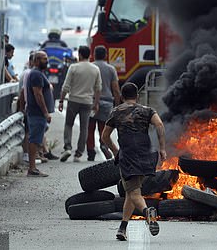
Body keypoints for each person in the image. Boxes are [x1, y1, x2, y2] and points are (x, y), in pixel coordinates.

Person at [102, 82, 166, 241]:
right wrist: (162, 148)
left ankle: (147, 213)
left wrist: (116, 151)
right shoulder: (147, 110)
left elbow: (104, 136)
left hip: (129, 156)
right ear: (137, 96)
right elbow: (159, 124)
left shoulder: (116, 112)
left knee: (134, 192)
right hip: (146, 155)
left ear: (122, 97)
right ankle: (122, 228)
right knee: (132, 192)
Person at [58, 45, 101, 162]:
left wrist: (61, 100)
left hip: (73, 100)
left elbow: (66, 86)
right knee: (84, 128)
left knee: (68, 124)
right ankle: (78, 153)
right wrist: (96, 103)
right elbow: (98, 88)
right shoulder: (95, 69)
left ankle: (67, 147)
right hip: (87, 102)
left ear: (80, 55)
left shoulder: (73, 67)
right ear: (89, 55)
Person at [87, 45, 120, 161]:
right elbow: (115, 88)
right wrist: (118, 104)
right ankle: (104, 145)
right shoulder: (111, 69)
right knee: (104, 128)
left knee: (90, 128)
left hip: (91, 102)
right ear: (106, 55)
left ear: (94, 55)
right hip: (106, 103)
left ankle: (90, 151)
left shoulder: (90, 67)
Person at [24, 50, 53, 177]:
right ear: (36, 61)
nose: (46, 61)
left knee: (36, 139)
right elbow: (38, 94)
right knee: (34, 139)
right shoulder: (36, 74)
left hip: (37, 113)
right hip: (37, 112)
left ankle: (33, 167)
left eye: (46, 58)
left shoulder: (39, 74)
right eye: (43, 59)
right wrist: (45, 112)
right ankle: (32, 168)